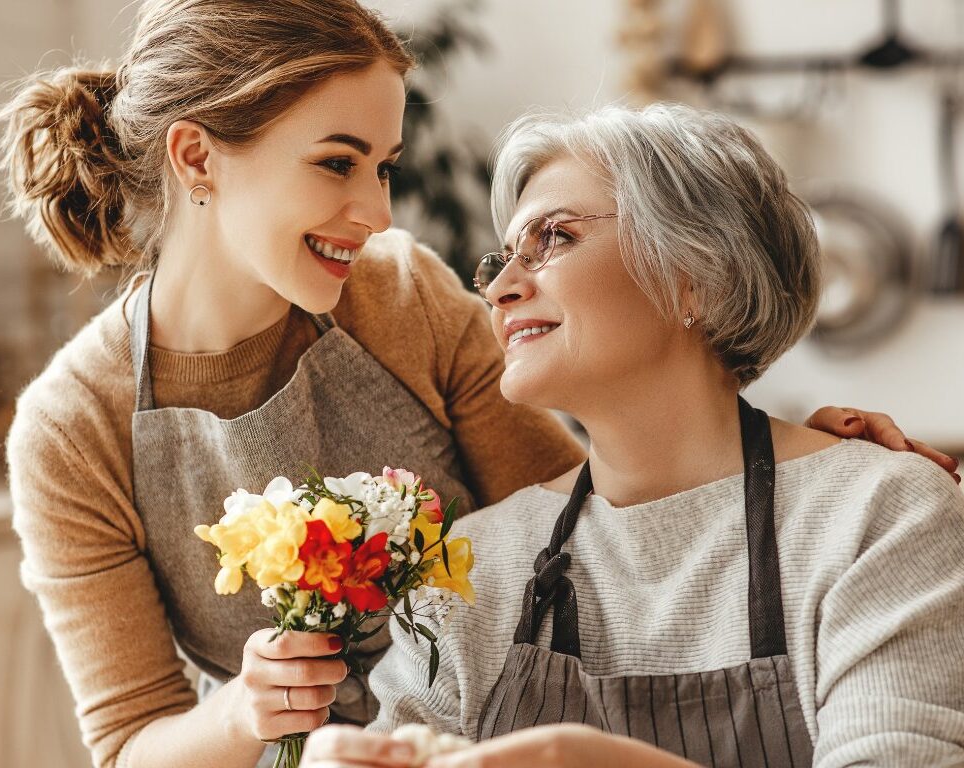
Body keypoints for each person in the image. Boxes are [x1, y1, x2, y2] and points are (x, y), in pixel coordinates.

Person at [0, 1, 956, 766]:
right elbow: (128, 744)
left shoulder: (402, 302)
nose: (375, 211)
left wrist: (819, 474)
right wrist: (257, 711)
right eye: (338, 163)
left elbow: (611, 515)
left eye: (385, 167)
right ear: (196, 156)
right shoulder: (72, 428)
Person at [300, 104, 964, 767]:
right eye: (500, 261)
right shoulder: (475, 564)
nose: (500, 288)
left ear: (698, 273)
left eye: (554, 237)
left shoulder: (881, 514)